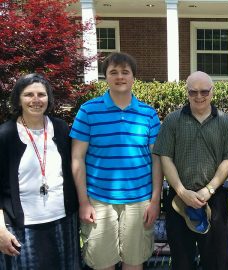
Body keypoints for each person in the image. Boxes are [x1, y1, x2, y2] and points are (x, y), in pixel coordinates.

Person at [70, 52, 162, 270]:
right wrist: (83, 202)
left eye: (125, 72)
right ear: (106, 77)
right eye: (113, 72)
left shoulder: (148, 115)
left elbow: (157, 159)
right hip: (99, 200)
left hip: (139, 200)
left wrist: (155, 200)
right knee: (103, 263)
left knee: (133, 262)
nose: (120, 77)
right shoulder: (88, 111)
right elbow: (77, 158)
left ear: (133, 77)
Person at [153, 71, 228, 270]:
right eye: (193, 92)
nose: (199, 96)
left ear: (212, 92)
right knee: (182, 261)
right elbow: (165, 157)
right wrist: (182, 191)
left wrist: (208, 190)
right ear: (187, 93)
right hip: (178, 200)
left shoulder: (225, 121)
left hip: (214, 199)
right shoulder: (173, 120)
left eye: (204, 91)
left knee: (216, 261)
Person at [0, 73, 80, 269]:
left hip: (62, 220)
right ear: (18, 98)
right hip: (21, 227)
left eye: (41, 94)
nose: (36, 100)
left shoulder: (61, 129)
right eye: (28, 94)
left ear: (48, 98)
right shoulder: (5, 135)